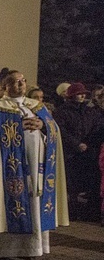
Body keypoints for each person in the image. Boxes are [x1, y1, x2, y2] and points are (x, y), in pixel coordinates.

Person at [0, 71, 69, 258]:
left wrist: (43, 125)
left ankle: (34, 247)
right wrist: (16, 127)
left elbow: (54, 129)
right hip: (7, 171)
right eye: (15, 82)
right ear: (5, 87)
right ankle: (5, 248)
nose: (21, 85)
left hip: (35, 166)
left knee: (34, 200)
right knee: (6, 200)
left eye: (23, 81)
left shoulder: (37, 107)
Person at [53, 82, 101, 221]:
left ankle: (84, 211)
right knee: (72, 184)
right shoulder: (62, 111)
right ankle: (71, 209)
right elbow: (61, 130)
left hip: (87, 151)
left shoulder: (89, 111)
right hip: (70, 153)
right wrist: (76, 144)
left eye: (83, 94)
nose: (82, 96)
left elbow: (96, 127)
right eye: (79, 94)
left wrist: (88, 143)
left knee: (86, 182)